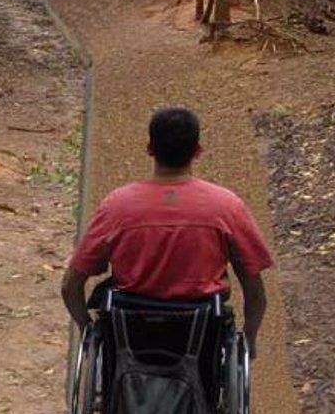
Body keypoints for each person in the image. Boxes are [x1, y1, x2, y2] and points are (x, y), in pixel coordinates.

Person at [60, 106, 273, 356]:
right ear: (197, 151)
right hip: (201, 337)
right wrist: (249, 338)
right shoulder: (226, 206)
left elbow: (70, 286)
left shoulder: (117, 206)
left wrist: (88, 329)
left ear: (150, 149)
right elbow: (254, 289)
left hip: (129, 338)